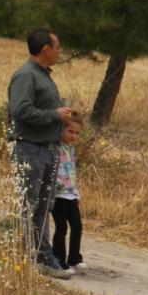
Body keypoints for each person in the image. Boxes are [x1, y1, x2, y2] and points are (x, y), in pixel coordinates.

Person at [6, 28, 77, 279]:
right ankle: (31, 258)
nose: (60, 52)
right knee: (30, 205)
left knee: (43, 207)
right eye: (57, 47)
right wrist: (54, 115)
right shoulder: (26, 76)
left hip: (47, 149)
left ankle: (42, 258)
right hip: (30, 149)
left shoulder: (43, 76)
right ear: (45, 49)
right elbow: (20, 111)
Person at [50, 116, 85, 273]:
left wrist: (75, 191)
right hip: (58, 194)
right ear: (61, 129)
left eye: (77, 133)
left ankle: (74, 258)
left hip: (70, 193)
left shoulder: (70, 148)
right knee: (61, 227)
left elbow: (71, 170)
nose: (73, 136)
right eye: (70, 131)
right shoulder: (54, 146)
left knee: (77, 225)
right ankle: (59, 260)